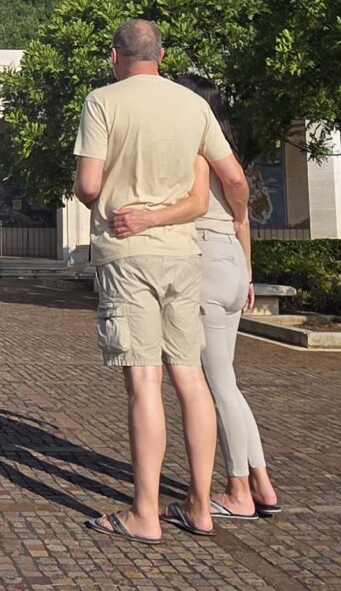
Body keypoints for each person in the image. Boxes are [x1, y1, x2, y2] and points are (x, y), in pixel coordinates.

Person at [73, 20, 253, 543]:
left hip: (128, 253)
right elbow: (233, 177)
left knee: (144, 381)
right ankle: (200, 505)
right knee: (191, 379)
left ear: (114, 56)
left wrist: (110, 192)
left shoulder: (102, 102)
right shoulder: (192, 105)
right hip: (182, 254)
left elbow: (88, 186)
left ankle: (145, 514)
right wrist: (239, 220)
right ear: (162, 55)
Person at [109, 72, 284, 522]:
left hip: (203, 259)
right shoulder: (224, 148)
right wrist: (247, 269)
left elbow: (225, 191)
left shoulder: (194, 149)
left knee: (213, 384)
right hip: (232, 261)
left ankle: (239, 489)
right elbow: (240, 210)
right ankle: (260, 481)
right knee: (227, 382)